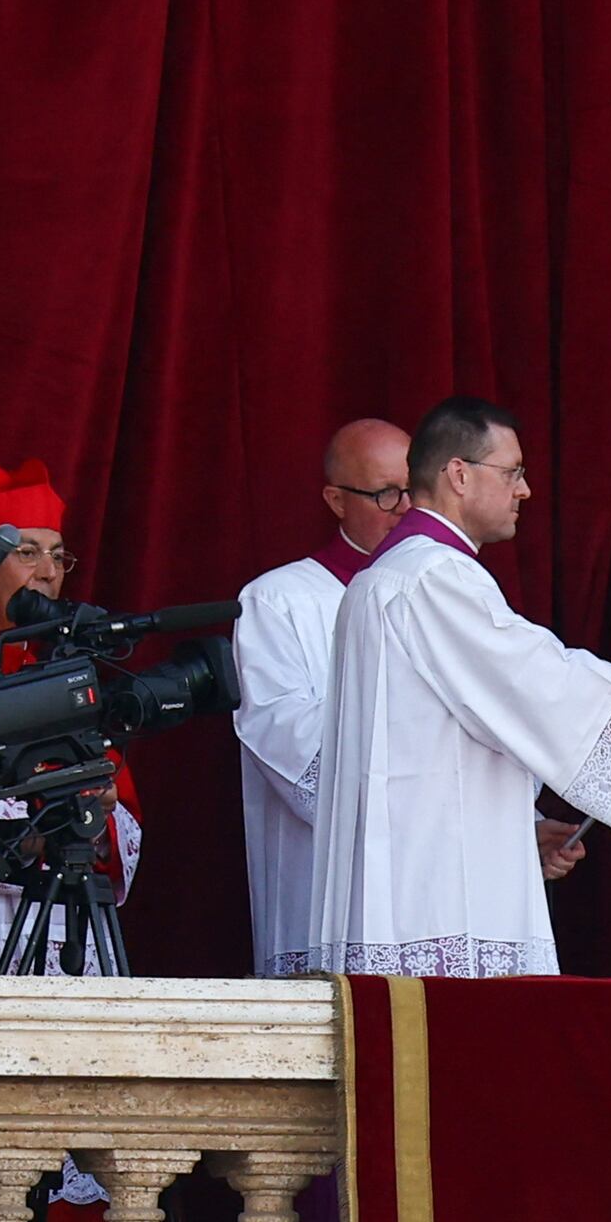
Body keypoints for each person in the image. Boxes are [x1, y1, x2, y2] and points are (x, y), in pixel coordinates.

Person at [313, 395, 611, 982]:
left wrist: (523, 829)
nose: (525, 490)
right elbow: (535, 679)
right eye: (513, 473)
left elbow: (446, 733)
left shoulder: (389, 574)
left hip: (410, 864)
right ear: (459, 474)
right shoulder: (435, 575)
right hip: (436, 891)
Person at [0, 457, 142, 976]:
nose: (49, 573)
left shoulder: (68, 674)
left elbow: (117, 813)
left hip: (64, 914)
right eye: (28, 553)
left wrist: (97, 812)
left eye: (58, 556)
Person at [236, 414, 413, 974]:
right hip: (331, 891)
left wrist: (523, 826)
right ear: (336, 500)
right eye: (386, 494)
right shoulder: (278, 600)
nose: (407, 510)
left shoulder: (449, 595)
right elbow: (288, 739)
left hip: (436, 886)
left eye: (416, 491)